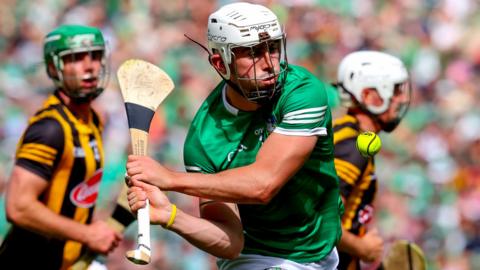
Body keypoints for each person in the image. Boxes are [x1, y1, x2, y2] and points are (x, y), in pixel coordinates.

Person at [126, 2, 343, 269]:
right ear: (221, 62)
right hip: (255, 257)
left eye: (273, 49)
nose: (269, 64)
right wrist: (171, 216)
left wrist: (170, 179)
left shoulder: (302, 93)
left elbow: (264, 185)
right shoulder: (203, 139)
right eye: (252, 54)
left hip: (321, 250)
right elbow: (230, 243)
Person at [0, 25, 122, 269]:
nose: (89, 66)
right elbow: (18, 207)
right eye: (75, 58)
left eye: (95, 56)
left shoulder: (93, 120)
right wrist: (87, 234)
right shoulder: (50, 129)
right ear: (55, 67)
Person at [332, 51, 411, 269]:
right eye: (394, 91)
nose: (402, 99)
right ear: (367, 96)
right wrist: (362, 248)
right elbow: (322, 221)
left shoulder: (345, 132)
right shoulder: (353, 147)